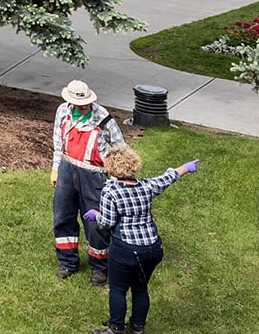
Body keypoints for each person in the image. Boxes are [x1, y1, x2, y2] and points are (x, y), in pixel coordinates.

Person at [83, 146, 199, 334]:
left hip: (126, 249)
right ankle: (137, 328)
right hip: (152, 248)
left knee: (118, 289)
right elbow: (167, 177)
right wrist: (186, 167)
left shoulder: (110, 190)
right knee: (140, 288)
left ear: (111, 168)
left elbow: (107, 222)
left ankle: (115, 329)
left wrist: (95, 214)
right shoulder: (147, 186)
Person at [52, 80, 124, 284]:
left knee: (95, 222)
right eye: (79, 104)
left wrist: (117, 178)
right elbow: (58, 141)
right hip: (67, 169)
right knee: (62, 215)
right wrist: (55, 168)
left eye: (85, 104)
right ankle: (67, 263)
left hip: (94, 176)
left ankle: (100, 268)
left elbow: (120, 148)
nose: (83, 107)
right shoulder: (63, 112)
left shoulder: (104, 118)